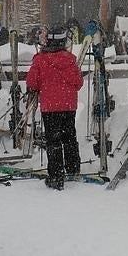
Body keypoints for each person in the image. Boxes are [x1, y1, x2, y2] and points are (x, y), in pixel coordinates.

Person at [25, 26, 84, 190]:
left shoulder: (40, 60)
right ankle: (73, 168)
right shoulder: (70, 60)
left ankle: (56, 176)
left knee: (53, 140)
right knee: (69, 136)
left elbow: (31, 82)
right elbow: (78, 83)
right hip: (68, 105)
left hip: (49, 107)